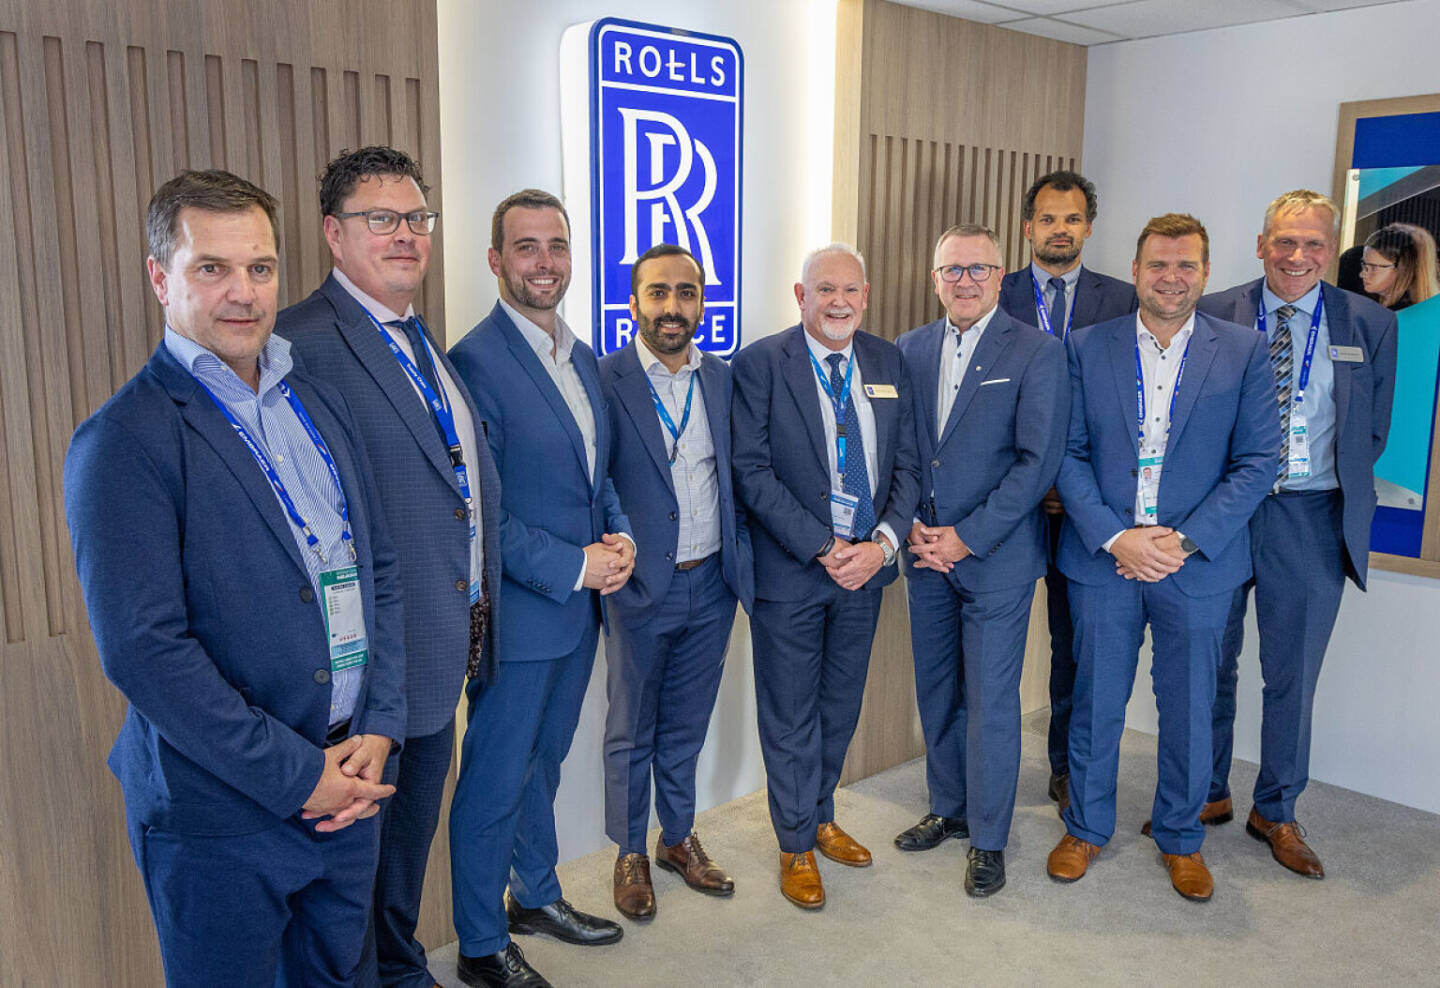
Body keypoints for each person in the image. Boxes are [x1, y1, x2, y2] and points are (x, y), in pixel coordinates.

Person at [64, 169, 404, 984]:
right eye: (211, 268)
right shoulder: (123, 440)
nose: (243, 292)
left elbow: (380, 570)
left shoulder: (317, 402)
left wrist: (381, 728)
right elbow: (146, 651)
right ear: (160, 278)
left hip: (352, 779)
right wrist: (302, 778)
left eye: (260, 267)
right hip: (222, 811)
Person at [276, 145, 502, 988]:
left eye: (417, 218)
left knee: (402, 866)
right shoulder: (299, 343)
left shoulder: (414, 334)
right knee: (350, 887)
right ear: (334, 235)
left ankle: (404, 971)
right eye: (382, 219)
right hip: (367, 678)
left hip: (442, 654)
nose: (406, 234)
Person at [1045, 213, 1277, 902]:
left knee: (1190, 710)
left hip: (1197, 565)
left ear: (1205, 273)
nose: (1171, 278)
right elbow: (1066, 454)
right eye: (1158, 264)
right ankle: (1086, 827)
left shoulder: (1244, 350)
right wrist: (1117, 537)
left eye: (1185, 265)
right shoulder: (1087, 347)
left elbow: (1258, 460)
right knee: (1095, 703)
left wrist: (1182, 540)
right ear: (1136, 270)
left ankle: (1181, 838)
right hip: (1105, 560)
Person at [447, 189, 634, 988]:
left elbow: (598, 475)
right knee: (494, 779)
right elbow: (477, 512)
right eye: (526, 247)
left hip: (578, 615)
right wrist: (573, 566)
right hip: (521, 615)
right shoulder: (473, 363)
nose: (544, 262)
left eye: (556, 245)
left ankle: (535, 895)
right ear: (496, 260)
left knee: (544, 765)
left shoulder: (581, 355)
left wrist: (620, 535)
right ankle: (479, 943)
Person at [1198, 190, 1397, 879]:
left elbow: (1372, 430)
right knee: (1208, 661)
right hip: (1223, 512)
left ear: (1330, 250)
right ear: (1262, 245)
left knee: (1293, 673)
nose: (1297, 256)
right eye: (1284, 241)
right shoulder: (1214, 310)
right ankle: (1205, 791)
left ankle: (1275, 809)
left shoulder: (1369, 322)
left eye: (1313, 243)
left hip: (1311, 516)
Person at [732, 243, 920, 910]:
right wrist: (821, 545)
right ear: (801, 296)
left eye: (850, 290)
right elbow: (751, 470)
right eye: (825, 290)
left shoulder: (888, 362)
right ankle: (794, 843)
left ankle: (818, 814)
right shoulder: (760, 363)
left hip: (864, 571)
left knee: (840, 705)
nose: (838, 302)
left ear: (865, 296)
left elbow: (907, 466)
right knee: (789, 713)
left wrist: (883, 544)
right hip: (792, 571)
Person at [893, 224, 1068, 897]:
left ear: (1000, 276)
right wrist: (910, 524)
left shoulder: (1036, 351)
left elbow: (1036, 463)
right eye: (952, 270)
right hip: (924, 554)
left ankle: (989, 838)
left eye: (978, 269)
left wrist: (967, 536)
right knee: (937, 690)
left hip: (995, 557)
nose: (964, 281)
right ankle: (949, 808)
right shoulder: (909, 348)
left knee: (991, 702)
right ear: (934, 279)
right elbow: (901, 451)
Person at [598, 243, 754, 921]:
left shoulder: (722, 378)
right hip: (639, 586)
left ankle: (678, 837)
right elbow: (596, 479)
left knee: (687, 724)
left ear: (702, 305)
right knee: (632, 728)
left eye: (685, 293)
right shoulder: (603, 379)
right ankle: (630, 850)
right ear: (633, 303)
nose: (672, 306)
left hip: (712, 583)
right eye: (657, 292)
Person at [996, 170, 1138, 812]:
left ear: (1089, 227)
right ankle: (981, 772)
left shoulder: (1125, 299)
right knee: (992, 645)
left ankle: (1065, 767)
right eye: (1049, 219)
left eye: (1072, 219)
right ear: (1028, 227)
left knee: (1076, 646)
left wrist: (1068, 483)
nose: (1061, 230)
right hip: (1004, 500)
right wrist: (1035, 477)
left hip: (1085, 508)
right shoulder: (992, 290)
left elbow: (1129, 405)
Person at [1359, 222, 1440, 310]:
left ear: (1404, 270)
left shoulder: (1400, 314)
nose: (1362, 274)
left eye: (1374, 268)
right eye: (1364, 264)